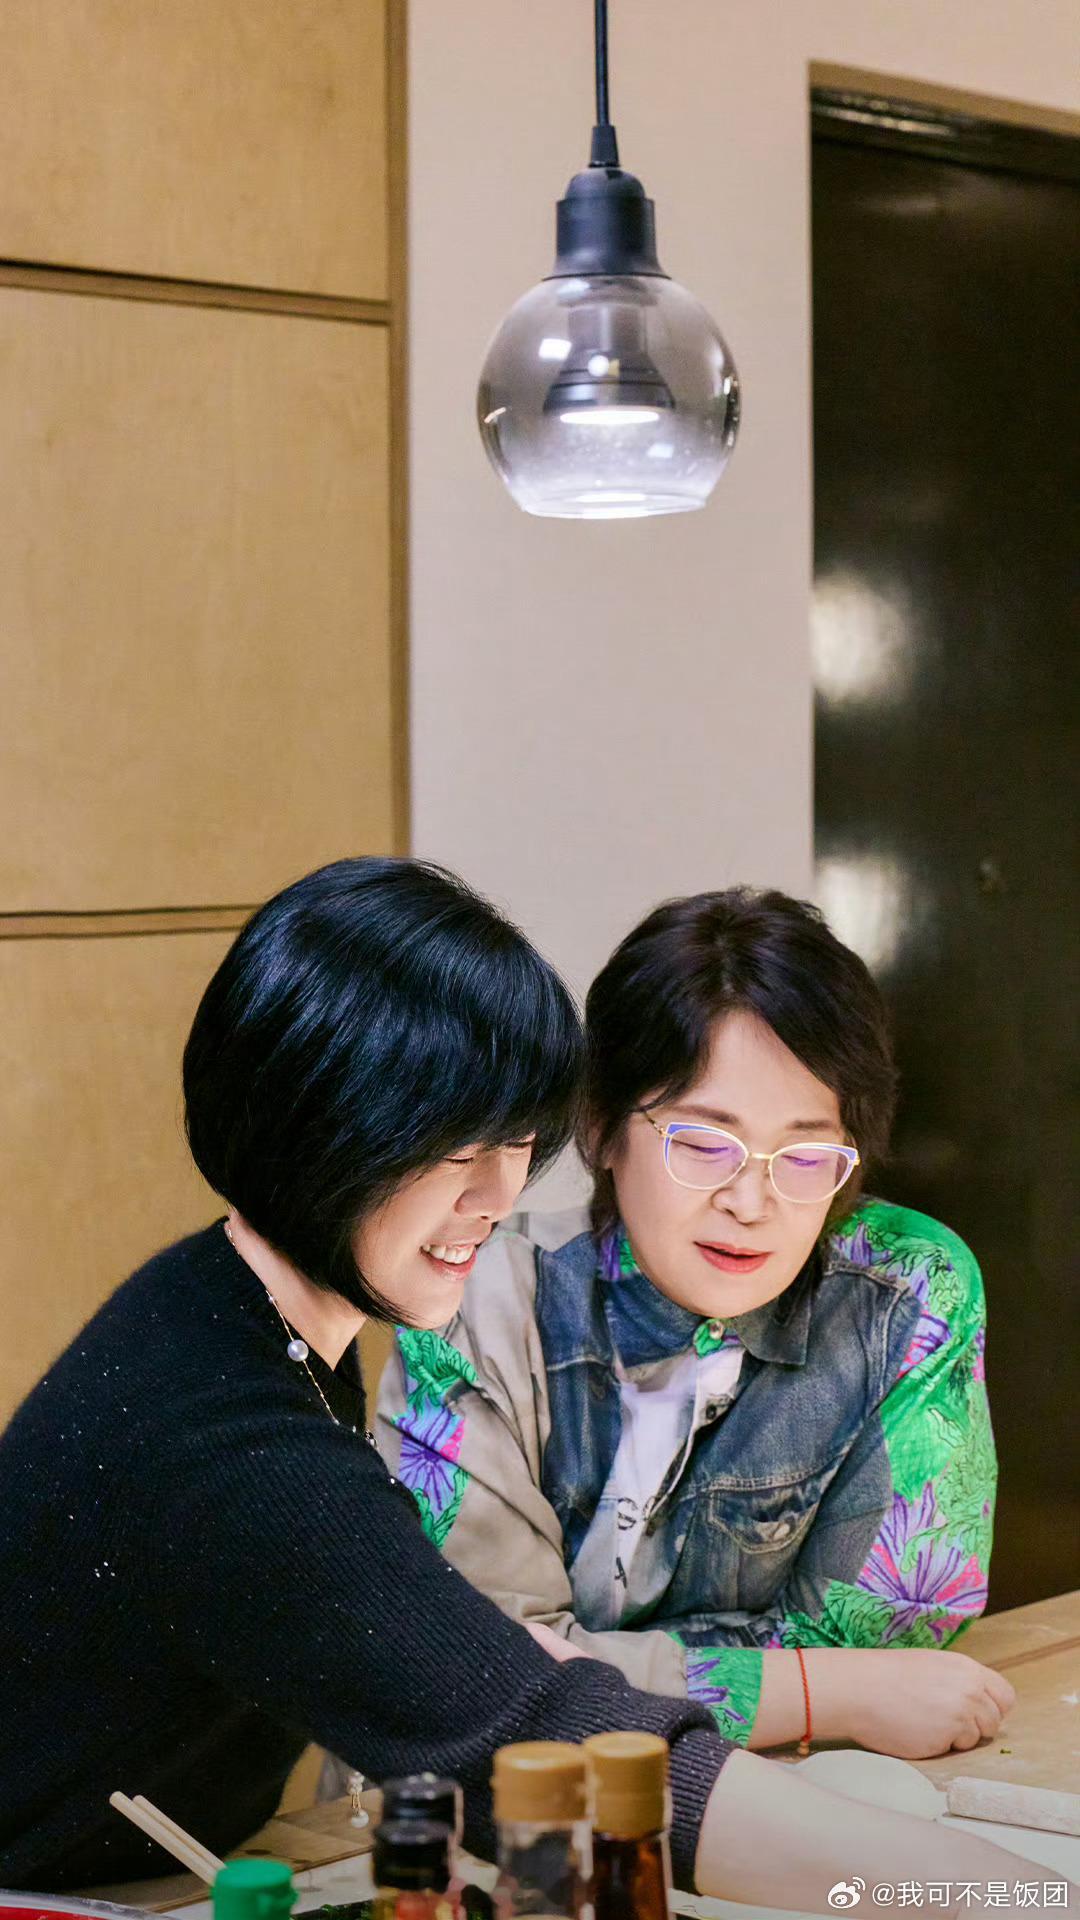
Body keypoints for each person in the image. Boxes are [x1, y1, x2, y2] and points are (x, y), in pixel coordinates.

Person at [0, 862, 1029, 1917]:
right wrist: (1012, 1897)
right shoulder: (232, 1439)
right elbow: (537, 1745)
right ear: (311, 1129)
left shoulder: (242, 1314)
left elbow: (471, 1655)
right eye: (453, 1149)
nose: (498, 1194)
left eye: (512, 1140)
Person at [378, 886, 1005, 1762]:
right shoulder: (474, 1298)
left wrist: (594, 1661)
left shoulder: (905, 1292)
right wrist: (824, 1692)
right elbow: (480, 1670)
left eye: (806, 1155)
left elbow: (900, 1628)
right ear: (600, 1127)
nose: (752, 1201)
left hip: (806, 1797)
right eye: (705, 1144)